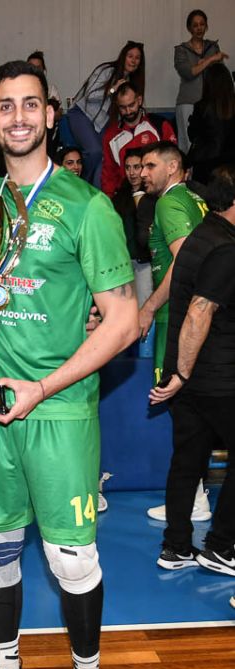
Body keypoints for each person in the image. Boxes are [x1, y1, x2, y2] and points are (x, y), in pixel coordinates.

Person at [0, 61, 138, 669]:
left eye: (30, 105)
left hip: (56, 413)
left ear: (50, 114)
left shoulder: (87, 207)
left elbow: (123, 322)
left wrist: (41, 387)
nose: (18, 117)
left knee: (71, 560)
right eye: (5, 106)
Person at [149, 165, 235, 576]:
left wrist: (180, 376)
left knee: (187, 460)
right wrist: (182, 375)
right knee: (188, 460)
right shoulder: (225, 247)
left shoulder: (202, 234)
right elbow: (199, 311)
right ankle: (221, 546)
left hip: (193, 377)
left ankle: (176, 546)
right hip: (215, 377)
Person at [138, 141, 210, 522]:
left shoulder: (169, 203)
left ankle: (191, 500)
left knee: (182, 407)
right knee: (194, 406)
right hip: (201, 313)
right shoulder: (196, 200)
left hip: (178, 316)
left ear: (173, 166)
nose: (143, 173)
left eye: (151, 166)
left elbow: (184, 261)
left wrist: (149, 306)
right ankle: (196, 496)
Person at [68, 41, 145, 186]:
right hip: (82, 114)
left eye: (137, 58)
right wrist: (113, 90)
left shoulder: (130, 81)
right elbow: (90, 95)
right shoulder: (107, 70)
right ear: (123, 56)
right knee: (95, 151)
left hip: (102, 122)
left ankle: (97, 192)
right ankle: (81, 186)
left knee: (106, 156)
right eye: (130, 56)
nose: (133, 60)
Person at [101, 83, 176, 197]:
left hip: (158, 193)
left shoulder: (160, 125)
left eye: (131, 105)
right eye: (122, 107)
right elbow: (109, 174)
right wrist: (109, 199)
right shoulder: (110, 135)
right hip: (127, 195)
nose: (128, 111)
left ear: (139, 100)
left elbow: (173, 161)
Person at [174, 8, 227, 154]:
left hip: (211, 104)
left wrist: (206, 62)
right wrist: (210, 60)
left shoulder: (213, 46)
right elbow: (189, 73)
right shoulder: (181, 50)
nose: (199, 28)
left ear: (206, 26)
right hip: (188, 103)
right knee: (188, 147)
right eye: (195, 25)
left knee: (211, 146)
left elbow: (219, 74)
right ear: (189, 28)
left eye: (202, 24)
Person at [112, 149, 154, 307]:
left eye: (136, 167)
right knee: (125, 307)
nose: (132, 173)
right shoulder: (119, 197)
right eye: (128, 167)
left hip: (145, 261)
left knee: (144, 306)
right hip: (124, 261)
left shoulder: (153, 194)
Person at [187, 62, 235, 184]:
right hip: (230, 165)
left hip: (205, 163)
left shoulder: (201, 106)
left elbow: (192, 134)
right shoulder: (232, 106)